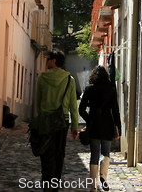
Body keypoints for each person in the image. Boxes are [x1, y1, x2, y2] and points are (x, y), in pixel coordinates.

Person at [36, 50, 79, 190]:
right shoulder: (69, 80)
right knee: (59, 152)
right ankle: (55, 184)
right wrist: (74, 127)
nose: (47, 61)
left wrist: (41, 117)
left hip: (45, 120)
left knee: (45, 151)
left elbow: (38, 102)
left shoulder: (42, 78)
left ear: (54, 61)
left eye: (48, 59)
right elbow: (73, 105)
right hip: (62, 121)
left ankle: (46, 181)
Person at [79, 65, 121, 192]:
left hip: (94, 125)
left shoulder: (89, 89)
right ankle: (103, 177)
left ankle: (92, 185)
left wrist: (89, 119)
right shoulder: (111, 89)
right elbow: (116, 110)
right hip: (108, 124)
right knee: (106, 152)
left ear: (94, 76)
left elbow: (81, 110)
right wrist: (118, 127)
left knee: (94, 154)